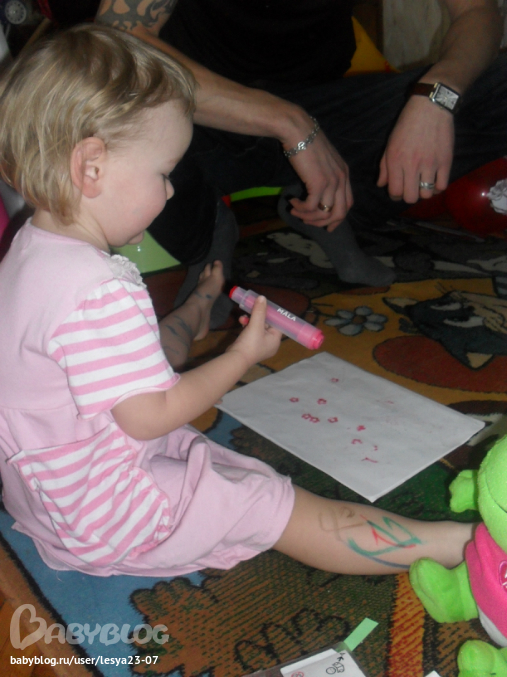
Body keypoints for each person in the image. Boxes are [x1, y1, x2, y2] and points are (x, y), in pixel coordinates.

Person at [0, 24, 473, 578]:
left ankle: (196, 309)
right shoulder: (100, 288)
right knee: (266, 499)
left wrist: (196, 310)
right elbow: (151, 416)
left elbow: (107, 376)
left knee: (166, 397)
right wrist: (242, 355)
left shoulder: (26, 250)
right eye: (163, 173)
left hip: (46, 496)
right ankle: (461, 545)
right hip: (106, 517)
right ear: (91, 167)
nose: (171, 191)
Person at [96, 0, 507, 324]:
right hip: (196, 113)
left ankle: (336, 207)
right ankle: (207, 233)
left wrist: (438, 95)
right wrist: (286, 122)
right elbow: (119, 36)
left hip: (327, 118)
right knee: (102, 100)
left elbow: (477, 10)